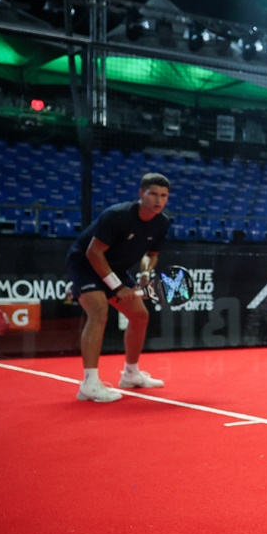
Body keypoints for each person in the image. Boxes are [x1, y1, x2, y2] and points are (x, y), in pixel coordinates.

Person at [65, 172, 173, 402]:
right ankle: (89, 384)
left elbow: (151, 255)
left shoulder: (162, 222)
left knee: (140, 316)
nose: (159, 200)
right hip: (85, 264)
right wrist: (117, 287)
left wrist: (145, 274)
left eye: (164, 195)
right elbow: (93, 252)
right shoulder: (117, 216)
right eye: (153, 194)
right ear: (140, 194)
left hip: (116, 268)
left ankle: (131, 374)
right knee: (99, 312)